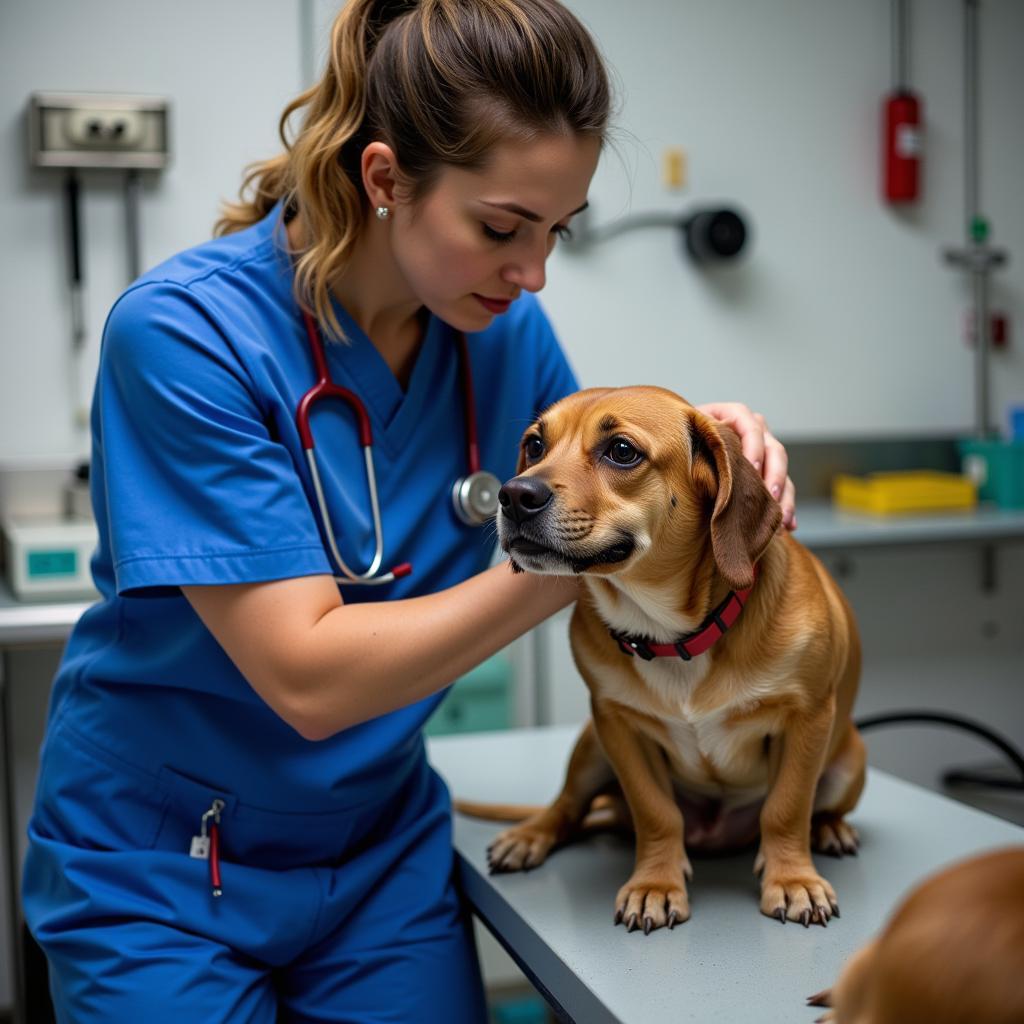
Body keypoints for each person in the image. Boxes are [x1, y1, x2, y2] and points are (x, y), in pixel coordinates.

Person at [22, 1, 796, 1021]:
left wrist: (712, 451)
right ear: (385, 179)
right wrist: (578, 559)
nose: (534, 273)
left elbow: (617, 488)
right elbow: (307, 675)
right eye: (502, 227)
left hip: (377, 852)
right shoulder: (186, 334)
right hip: (169, 861)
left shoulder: (501, 336)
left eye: (556, 232)